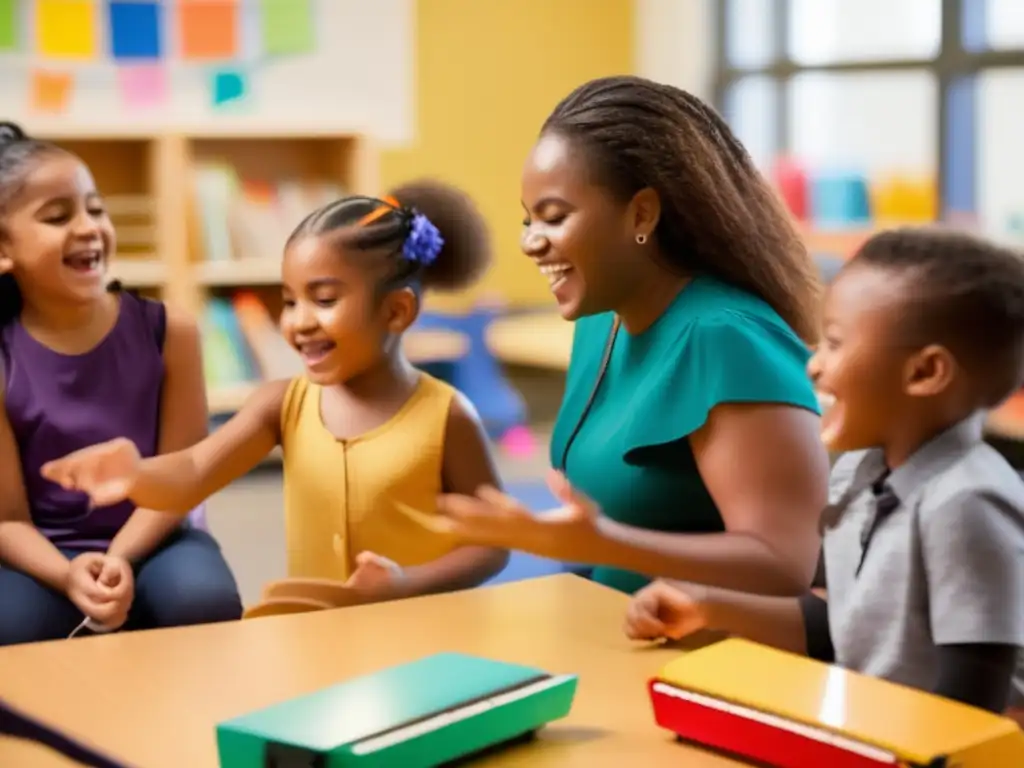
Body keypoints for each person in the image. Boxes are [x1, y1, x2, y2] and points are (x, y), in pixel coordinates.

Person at [419, 75, 829, 596]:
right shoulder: (601, 322)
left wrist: (603, 543)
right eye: (528, 220)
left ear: (641, 214)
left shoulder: (725, 339)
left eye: (554, 217)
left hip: (702, 660)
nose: (529, 242)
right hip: (608, 635)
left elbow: (783, 562)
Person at [41, 181, 510, 610]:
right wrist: (135, 473)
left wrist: (405, 584)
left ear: (396, 310)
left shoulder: (447, 416)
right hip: (317, 638)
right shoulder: (281, 404)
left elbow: (493, 544)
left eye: (324, 300)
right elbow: (194, 470)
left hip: (420, 638)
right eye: (289, 301)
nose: (298, 322)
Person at [624, 228, 1024, 716]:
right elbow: (845, 624)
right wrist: (707, 607)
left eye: (835, 344)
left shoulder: (967, 502)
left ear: (924, 374)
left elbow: (968, 712)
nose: (814, 366)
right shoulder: (858, 474)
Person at [0, 122, 242, 645]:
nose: (89, 227)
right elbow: (6, 522)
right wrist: (68, 573)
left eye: (95, 208)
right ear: (4, 249)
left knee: (203, 600)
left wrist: (117, 560)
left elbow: (185, 481)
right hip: (44, 552)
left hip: (157, 534)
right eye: (58, 216)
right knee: (9, 626)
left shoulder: (169, 330)